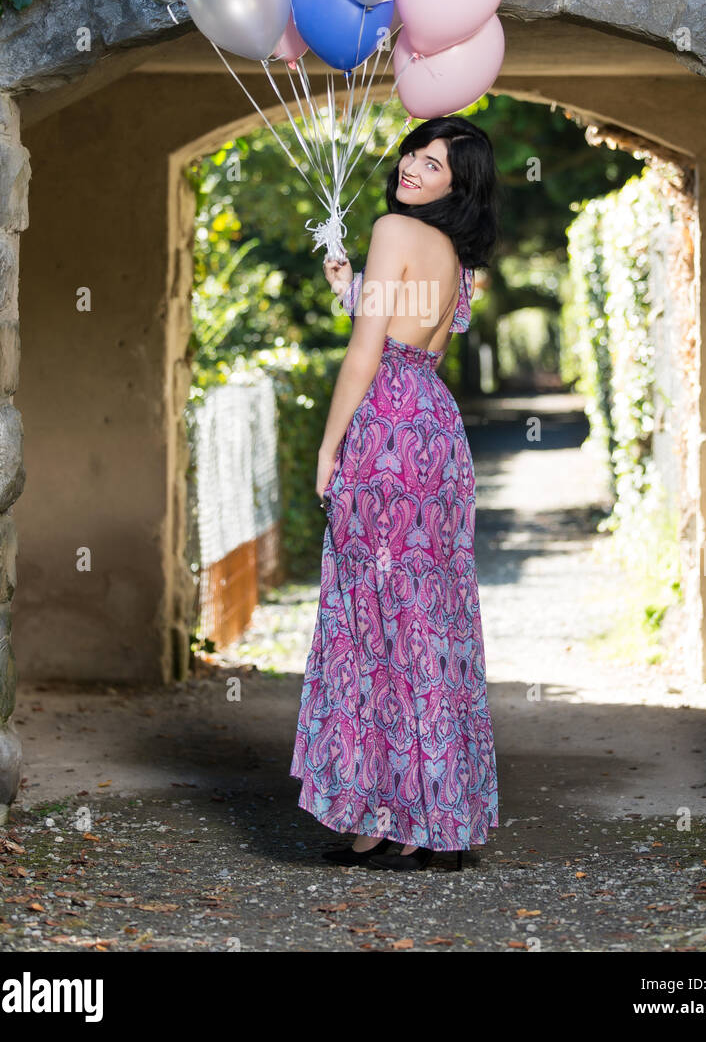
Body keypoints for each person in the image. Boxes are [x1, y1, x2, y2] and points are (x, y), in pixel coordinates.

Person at [289, 115, 500, 871]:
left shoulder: (391, 228)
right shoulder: (456, 255)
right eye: (417, 150)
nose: (414, 165)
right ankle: (428, 812)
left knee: (369, 616)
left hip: (384, 433)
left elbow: (367, 351)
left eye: (436, 164)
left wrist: (327, 444)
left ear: (455, 185)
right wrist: (355, 289)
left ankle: (382, 814)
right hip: (436, 434)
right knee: (429, 616)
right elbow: (417, 335)